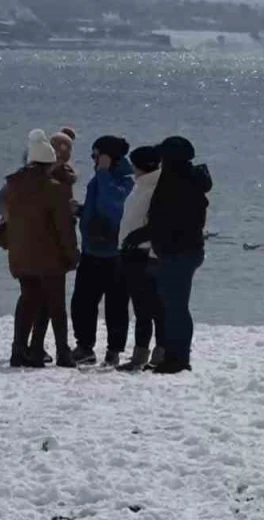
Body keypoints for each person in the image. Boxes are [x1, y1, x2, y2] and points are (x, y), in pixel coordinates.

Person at [122, 136, 211, 374]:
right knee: (174, 306)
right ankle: (174, 355)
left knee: (175, 307)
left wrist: (139, 235)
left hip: (178, 251)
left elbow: (168, 221)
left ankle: (177, 358)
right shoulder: (185, 180)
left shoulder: (177, 183)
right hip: (183, 250)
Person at [0, 130, 79, 368]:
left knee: (27, 301)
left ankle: (19, 350)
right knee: (56, 305)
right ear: (48, 163)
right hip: (50, 256)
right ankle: (63, 353)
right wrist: (72, 254)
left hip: (21, 253)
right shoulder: (55, 189)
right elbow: (64, 228)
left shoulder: (13, 186)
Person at [70, 136, 134, 366]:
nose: (93, 159)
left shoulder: (126, 180)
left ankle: (114, 351)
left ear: (107, 156)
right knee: (82, 303)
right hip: (91, 250)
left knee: (116, 306)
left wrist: (104, 172)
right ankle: (85, 347)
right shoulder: (100, 178)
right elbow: (98, 209)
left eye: (96, 154)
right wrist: (80, 211)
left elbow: (113, 203)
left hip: (114, 253)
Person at [117, 145, 163, 371]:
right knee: (144, 307)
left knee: (149, 308)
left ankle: (149, 354)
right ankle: (144, 353)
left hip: (144, 253)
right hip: (133, 252)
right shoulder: (143, 185)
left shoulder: (153, 187)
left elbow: (154, 223)